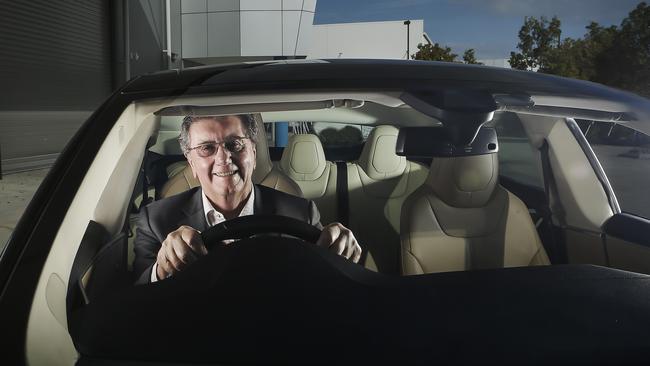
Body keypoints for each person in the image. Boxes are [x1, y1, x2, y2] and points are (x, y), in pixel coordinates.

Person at [133, 114, 362, 284]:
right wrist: (161, 269)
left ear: (253, 152)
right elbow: (136, 299)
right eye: (206, 148)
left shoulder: (300, 213)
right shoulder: (156, 220)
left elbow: (328, 286)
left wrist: (343, 254)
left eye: (234, 144)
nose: (223, 158)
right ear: (191, 162)